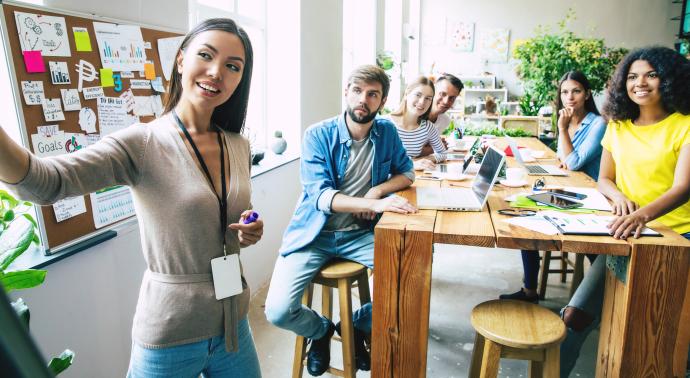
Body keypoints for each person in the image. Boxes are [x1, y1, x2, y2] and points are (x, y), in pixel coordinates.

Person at [0, 18, 265, 377]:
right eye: (206, 55)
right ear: (182, 60)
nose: (217, 72)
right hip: (173, 330)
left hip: (234, 321)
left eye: (233, 66)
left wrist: (248, 229)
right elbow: (45, 183)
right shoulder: (143, 144)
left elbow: (229, 216)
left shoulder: (238, 144)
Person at [264, 65, 416, 376]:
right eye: (357, 91)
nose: (364, 99)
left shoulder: (386, 132)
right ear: (346, 92)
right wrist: (371, 203)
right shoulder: (317, 135)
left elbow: (408, 173)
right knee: (277, 311)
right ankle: (320, 331)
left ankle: (355, 325)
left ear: (382, 100)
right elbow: (321, 197)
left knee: (410, 287)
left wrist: (376, 191)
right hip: (313, 235)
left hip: (359, 234)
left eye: (372, 94)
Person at [559, 46, 690, 377]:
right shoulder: (618, 126)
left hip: (677, 238)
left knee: (661, 338)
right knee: (574, 317)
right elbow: (604, 178)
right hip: (626, 233)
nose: (640, 83)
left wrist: (640, 214)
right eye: (632, 76)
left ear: (669, 79)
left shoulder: (685, 125)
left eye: (651, 74)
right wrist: (618, 198)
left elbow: (683, 187)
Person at [500, 70, 607, 303]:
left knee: (593, 249)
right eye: (565, 92)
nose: (570, 97)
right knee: (525, 215)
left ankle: (601, 295)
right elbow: (563, 159)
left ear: (587, 94)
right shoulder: (568, 121)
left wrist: (561, 129)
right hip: (567, 188)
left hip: (591, 198)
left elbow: (573, 162)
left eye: (576, 91)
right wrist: (565, 142)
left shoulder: (598, 123)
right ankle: (529, 290)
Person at [387, 76, 447, 171]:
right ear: (407, 94)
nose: (422, 102)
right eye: (418, 95)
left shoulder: (428, 127)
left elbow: (442, 153)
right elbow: (377, 161)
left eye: (428, 98)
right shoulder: (386, 124)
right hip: (389, 180)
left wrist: (424, 160)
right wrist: (411, 164)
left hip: (413, 179)